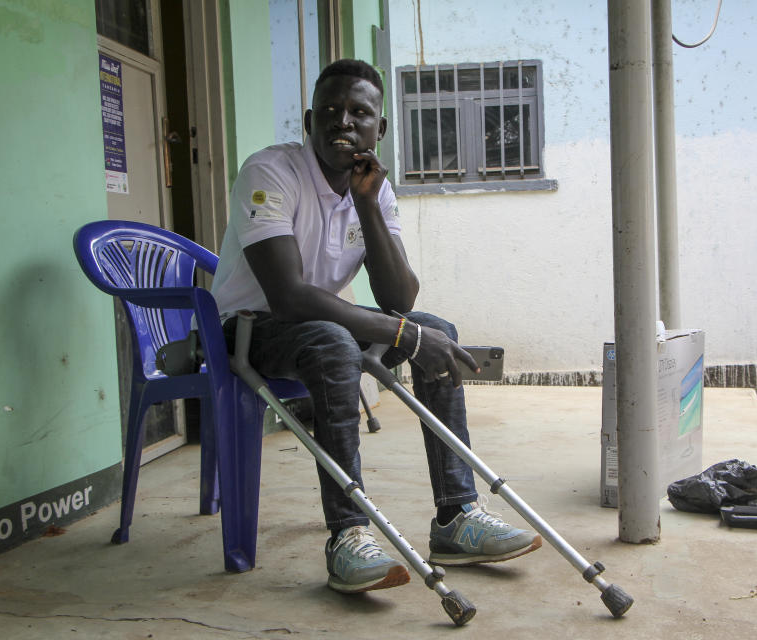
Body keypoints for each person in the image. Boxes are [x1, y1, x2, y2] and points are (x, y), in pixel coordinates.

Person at [210, 59, 541, 594]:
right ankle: (348, 534)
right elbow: (289, 297)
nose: (343, 122)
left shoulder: (374, 189)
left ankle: (456, 517)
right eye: (331, 112)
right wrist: (401, 335)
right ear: (309, 121)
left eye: (359, 113)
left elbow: (399, 298)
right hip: (251, 330)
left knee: (437, 330)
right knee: (336, 343)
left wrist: (365, 204)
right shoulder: (270, 172)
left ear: (378, 129)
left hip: (321, 324)